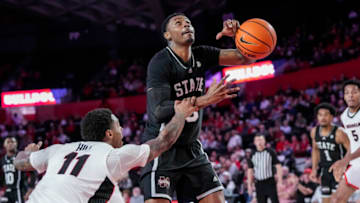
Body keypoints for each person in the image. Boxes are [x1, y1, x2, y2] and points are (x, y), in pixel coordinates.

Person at [141, 12, 254, 203]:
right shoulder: (160, 63)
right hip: (162, 146)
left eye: (189, 23)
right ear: (167, 35)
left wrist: (240, 36)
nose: (186, 25)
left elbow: (245, 58)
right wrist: (205, 99)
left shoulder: (201, 54)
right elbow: (159, 110)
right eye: (179, 23)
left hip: (192, 148)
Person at [13, 97, 200, 203]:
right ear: (109, 134)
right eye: (119, 127)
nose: (123, 132)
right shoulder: (113, 156)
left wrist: (28, 151)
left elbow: (19, 162)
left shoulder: (58, 149)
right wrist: (181, 115)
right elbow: (163, 142)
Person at [309, 103, 350, 203]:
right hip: (325, 171)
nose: (323, 117)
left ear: (332, 117)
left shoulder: (339, 133)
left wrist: (344, 165)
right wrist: (314, 169)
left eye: (326, 114)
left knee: (339, 200)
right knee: (325, 200)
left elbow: (351, 150)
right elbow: (315, 150)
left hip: (339, 171)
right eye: (320, 115)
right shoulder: (314, 132)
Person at [329, 80, 360, 203]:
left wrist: (345, 160)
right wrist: (343, 162)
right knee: (336, 200)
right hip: (358, 162)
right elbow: (353, 143)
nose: (350, 95)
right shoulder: (345, 116)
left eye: (354, 92)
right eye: (347, 93)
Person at [247, 134, 282, 203]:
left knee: (275, 201)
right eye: (257, 140)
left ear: (264, 141)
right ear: (254, 142)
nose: (259, 142)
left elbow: (278, 166)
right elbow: (250, 171)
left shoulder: (270, 152)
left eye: (261, 140)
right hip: (259, 183)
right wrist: (249, 185)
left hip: (270, 181)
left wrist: (280, 181)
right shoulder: (252, 154)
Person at [0, 136, 35, 203]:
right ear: (4, 145)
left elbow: (33, 172)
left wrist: (31, 187)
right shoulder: (2, 160)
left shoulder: (21, 156)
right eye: (8, 142)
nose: (10, 144)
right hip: (7, 191)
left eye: (12, 142)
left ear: (16, 143)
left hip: (19, 190)